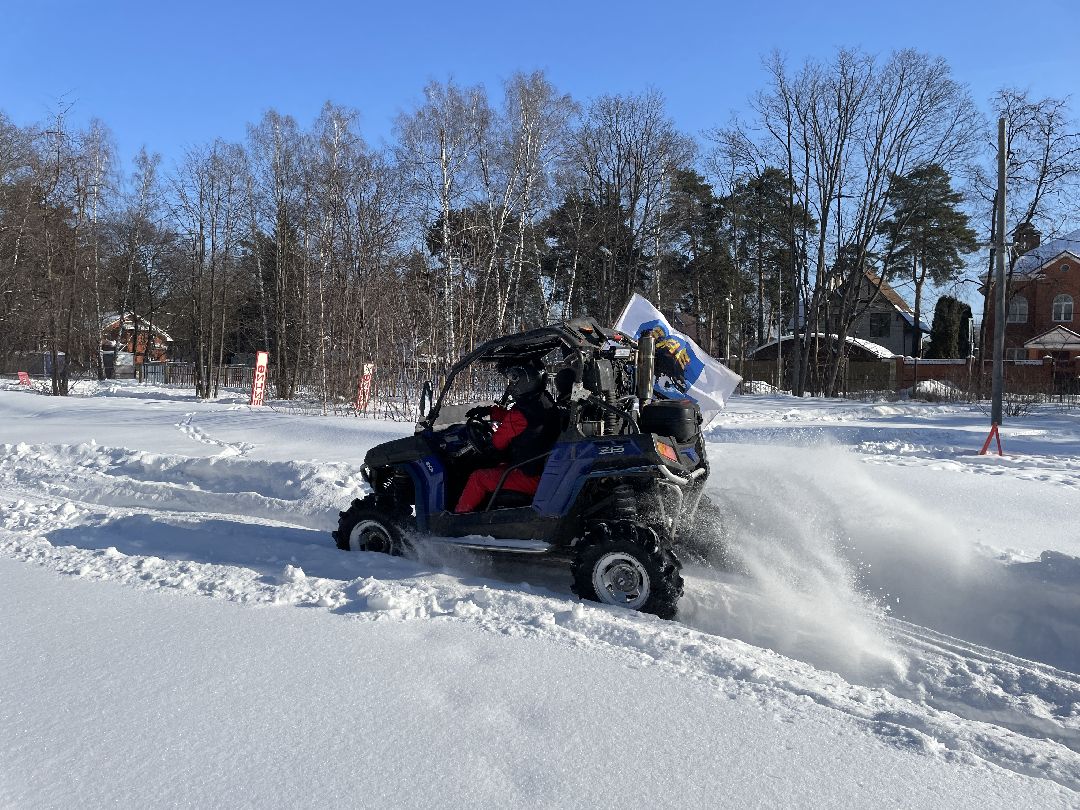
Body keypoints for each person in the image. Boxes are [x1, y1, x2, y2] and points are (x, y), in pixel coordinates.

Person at [454, 364, 559, 513]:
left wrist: (488, 445)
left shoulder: (520, 414)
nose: (511, 385)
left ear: (525, 380)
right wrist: (490, 411)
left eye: (514, 380)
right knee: (498, 465)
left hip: (530, 478)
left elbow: (498, 443)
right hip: (541, 470)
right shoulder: (543, 401)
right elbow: (521, 420)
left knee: (478, 478)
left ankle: (457, 520)